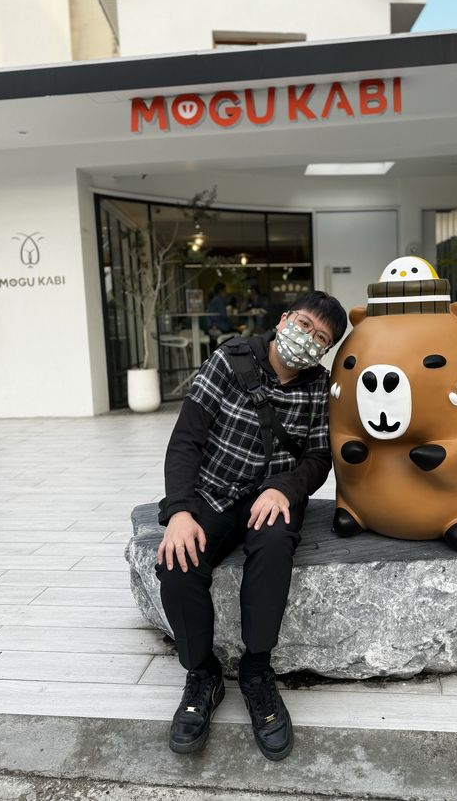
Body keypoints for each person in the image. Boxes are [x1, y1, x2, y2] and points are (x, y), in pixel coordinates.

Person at [156, 291, 347, 760]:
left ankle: (258, 670)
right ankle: (201, 675)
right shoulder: (228, 361)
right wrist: (179, 511)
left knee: (275, 547)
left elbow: (320, 457)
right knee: (179, 563)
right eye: (304, 325)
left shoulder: (317, 386)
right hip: (214, 491)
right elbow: (185, 441)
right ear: (284, 320)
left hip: (272, 497)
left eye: (321, 338)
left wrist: (285, 487)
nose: (308, 340)